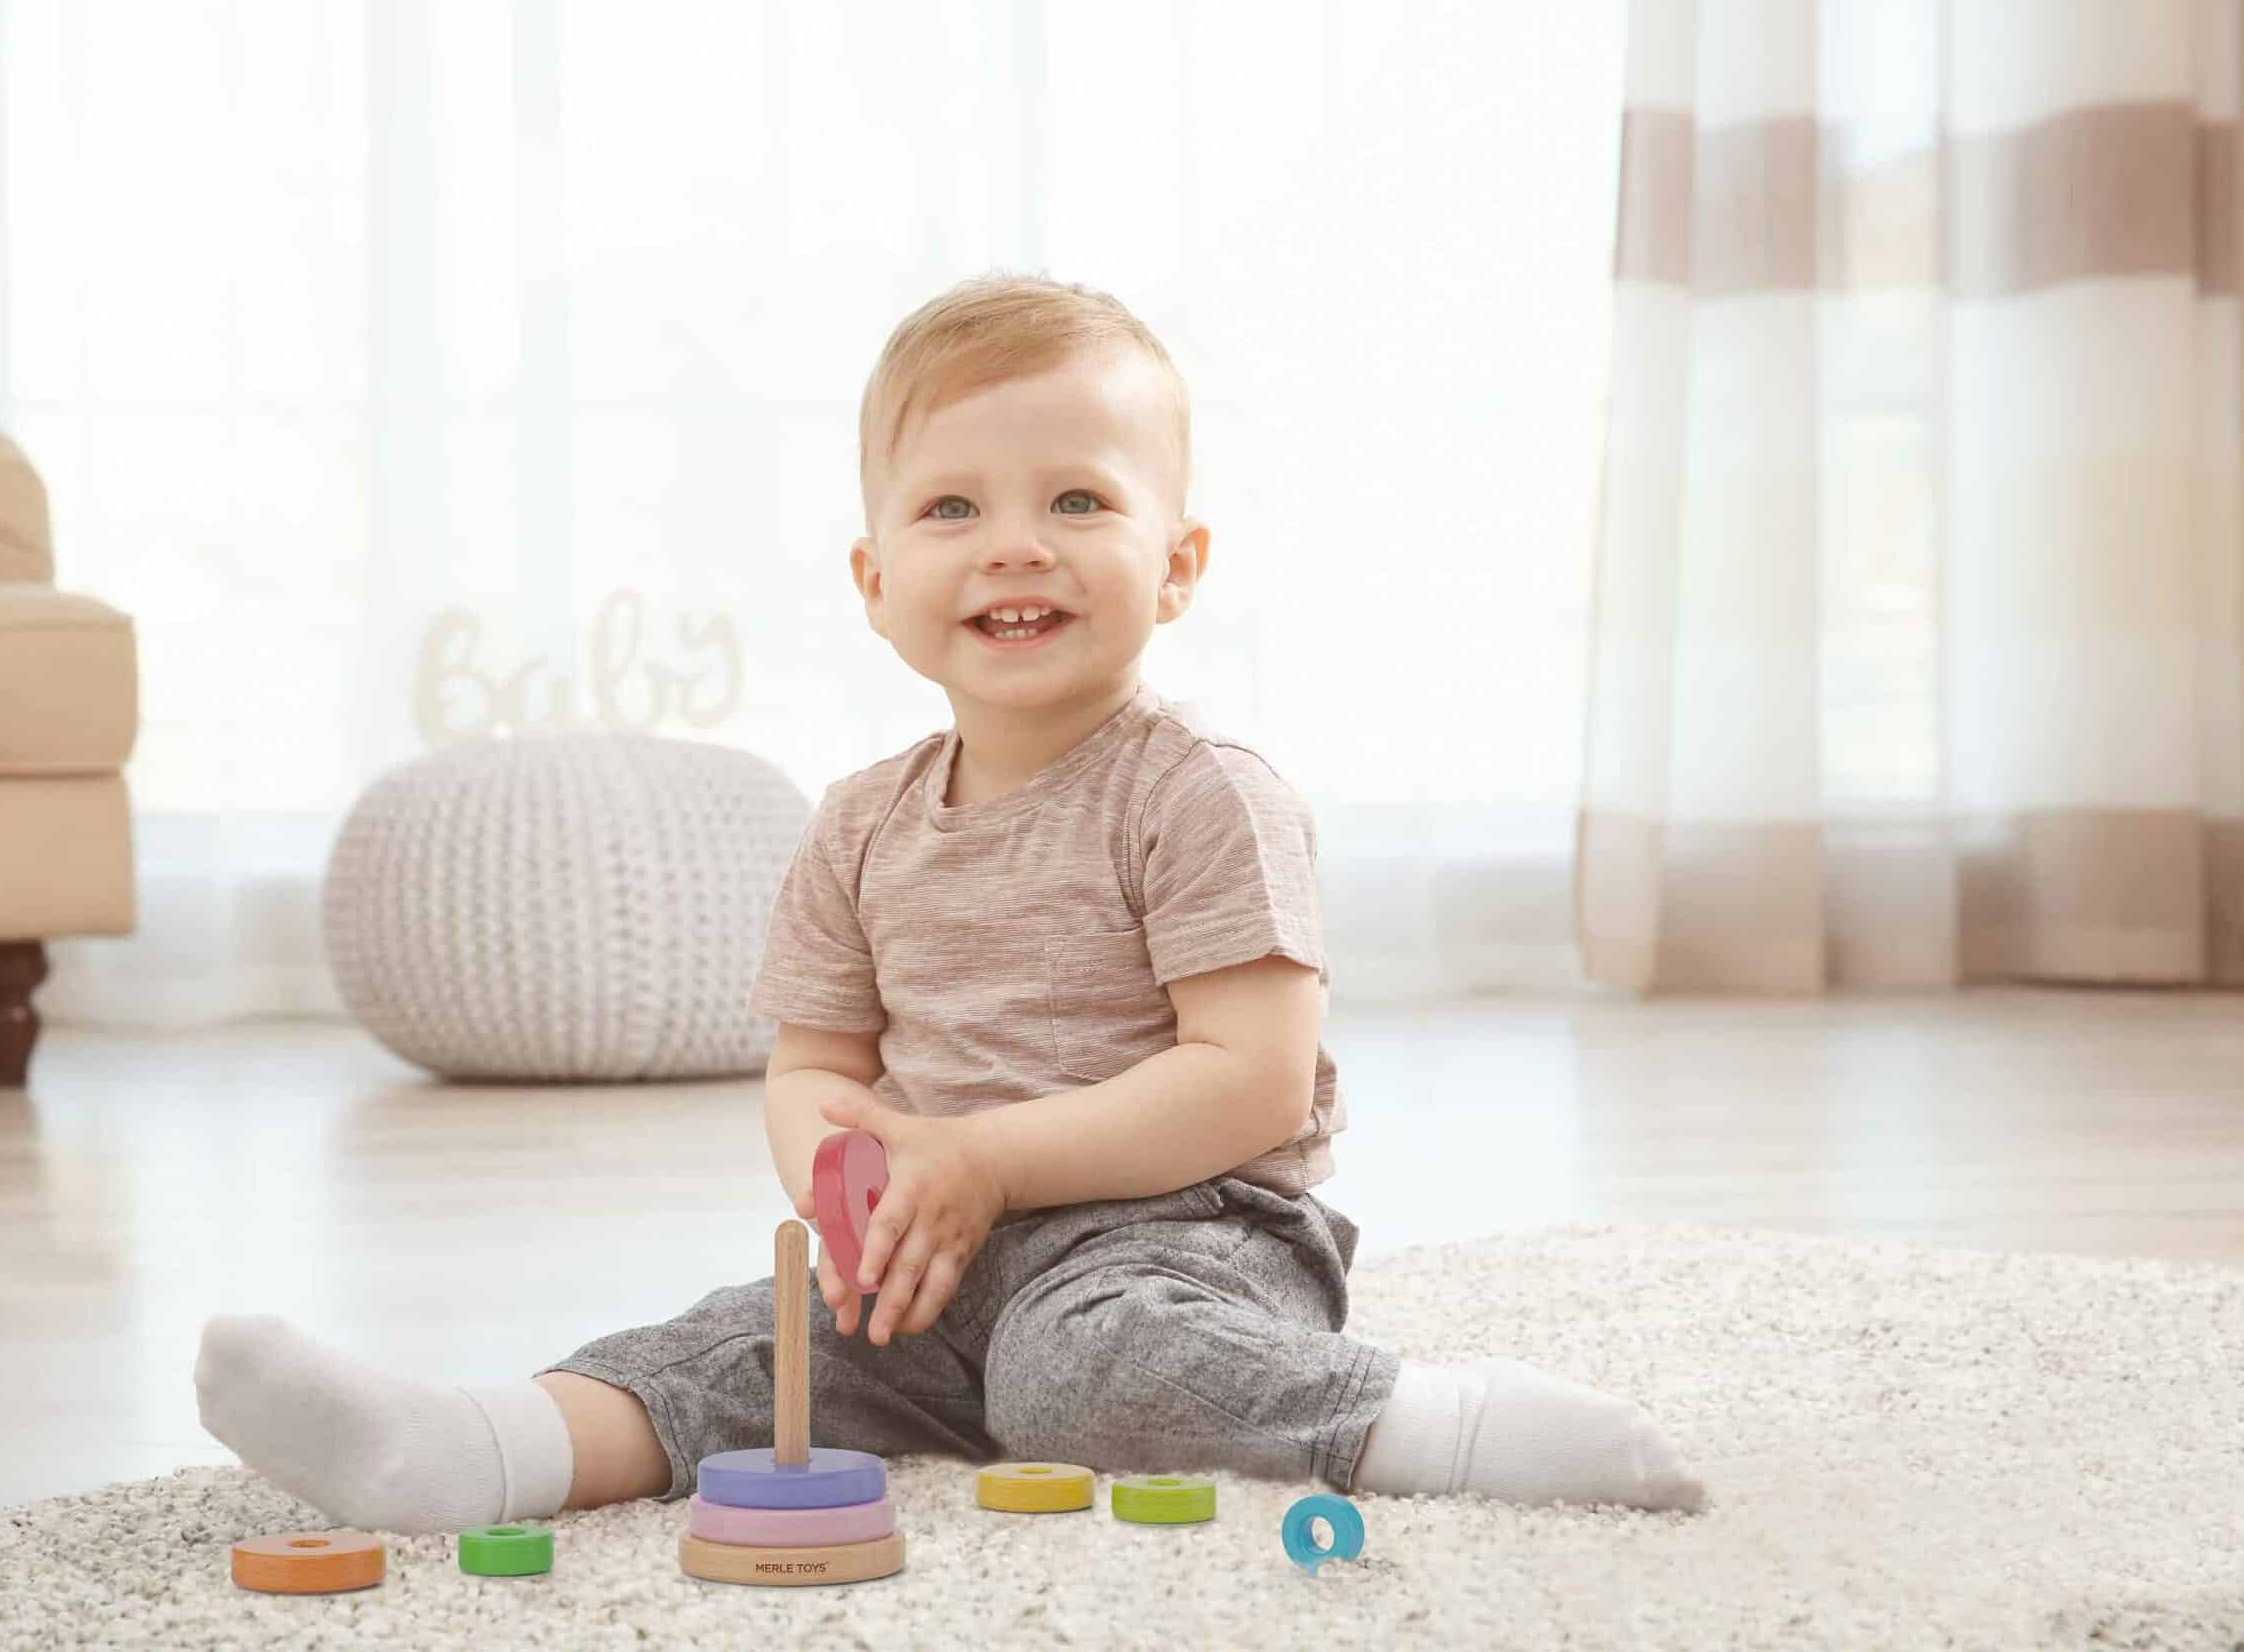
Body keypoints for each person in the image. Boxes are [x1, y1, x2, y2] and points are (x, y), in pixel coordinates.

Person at [193, 273, 1708, 1533]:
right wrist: (847, 1192)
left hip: (1177, 1235)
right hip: (931, 1243)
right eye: (951, 509)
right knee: (747, 1353)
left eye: (1076, 498)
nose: (1013, 544)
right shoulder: (857, 823)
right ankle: (475, 1451)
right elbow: (816, 1063)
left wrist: (987, 1155)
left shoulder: (1200, 792)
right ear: (872, 577)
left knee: (1085, 1381)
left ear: (1176, 565)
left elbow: (1249, 1082)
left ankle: (1428, 1424)